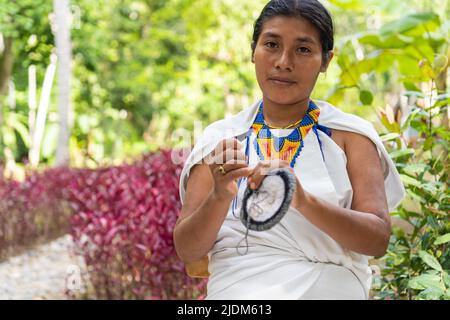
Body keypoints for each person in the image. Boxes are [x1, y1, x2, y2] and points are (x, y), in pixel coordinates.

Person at [173, 0, 405, 300]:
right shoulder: (221, 139)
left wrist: (304, 200)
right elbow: (188, 250)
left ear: (325, 61)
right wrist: (219, 195)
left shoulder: (351, 136)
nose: (284, 61)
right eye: (271, 44)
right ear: (253, 51)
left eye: (303, 49)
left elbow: (377, 240)